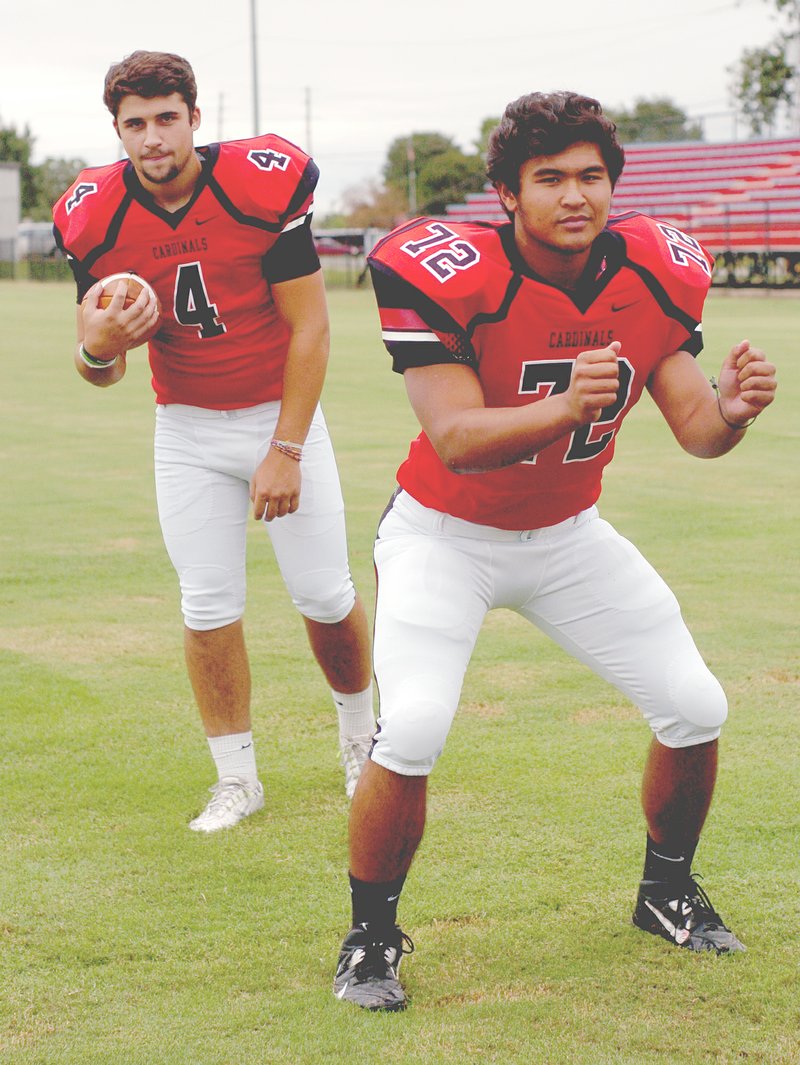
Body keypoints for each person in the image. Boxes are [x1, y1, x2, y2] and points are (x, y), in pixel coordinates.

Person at [332, 91, 777, 1011]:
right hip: (443, 534)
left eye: (591, 176)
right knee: (411, 727)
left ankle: (666, 892)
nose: (575, 196)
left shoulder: (653, 271)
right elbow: (453, 434)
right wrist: (561, 408)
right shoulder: (449, 271)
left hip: (569, 533)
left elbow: (694, 426)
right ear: (506, 192)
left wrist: (731, 411)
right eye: (550, 179)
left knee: (696, 704)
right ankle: (371, 938)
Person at [53, 51, 375, 832]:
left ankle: (364, 742)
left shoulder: (258, 185)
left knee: (324, 593)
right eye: (136, 124)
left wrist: (286, 447)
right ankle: (237, 779)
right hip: (188, 426)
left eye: (167, 118)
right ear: (118, 132)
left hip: (278, 410)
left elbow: (311, 325)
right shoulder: (93, 214)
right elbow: (99, 367)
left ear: (195, 118)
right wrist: (96, 347)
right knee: (207, 604)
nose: (154, 137)